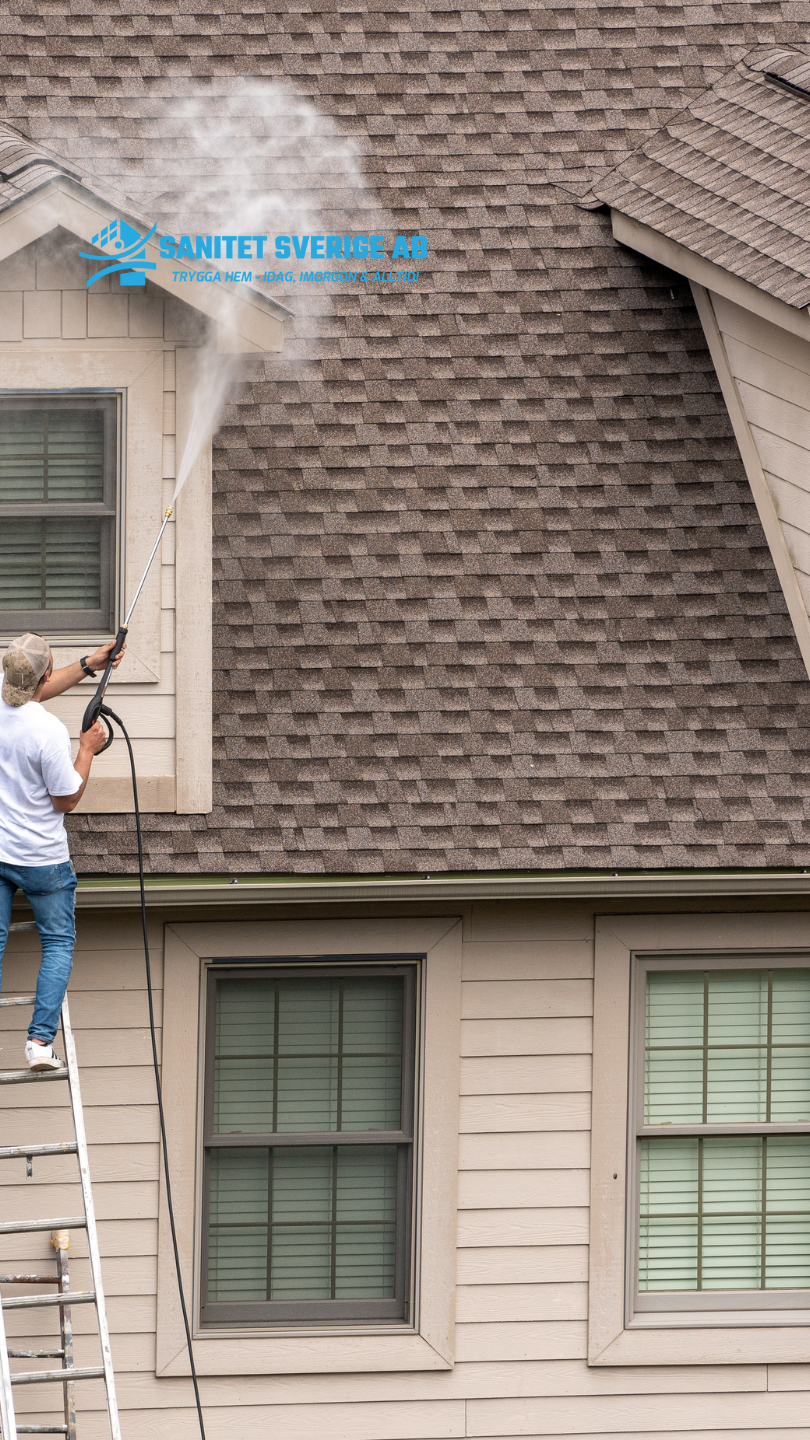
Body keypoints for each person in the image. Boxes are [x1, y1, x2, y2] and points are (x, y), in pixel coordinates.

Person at [0, 632, 125, 1070]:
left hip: (0, 852)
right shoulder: (47, 730)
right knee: (57, 942)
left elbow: (33, 692)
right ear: (45, 675)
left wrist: (91, 664)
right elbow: (66, 798)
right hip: (41, 860)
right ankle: (38, 1044)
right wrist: (87, 751)